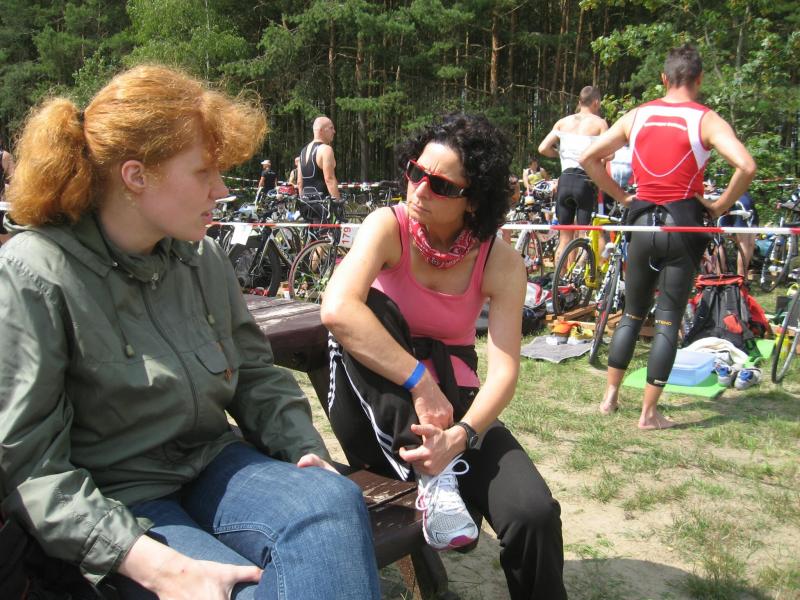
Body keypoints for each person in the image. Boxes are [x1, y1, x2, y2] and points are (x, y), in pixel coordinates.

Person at [0, 65, 380, 599]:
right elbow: (31, 468)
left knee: (331, 500)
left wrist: (301, 450)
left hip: (212, 461)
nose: (221, 189)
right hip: (117, 500)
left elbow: (254, 374)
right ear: (136, 176)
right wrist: (161, 568)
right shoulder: (34, 273)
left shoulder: (202, 256)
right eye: (204, 171)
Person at [320, 113, 567, 599]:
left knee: (533, 513)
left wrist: (462, 434)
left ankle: (441, 469)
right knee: (369, 308)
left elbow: (505, 369)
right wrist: (421, 382)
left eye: (441, 185)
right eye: (416, 172)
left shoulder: (500, 260)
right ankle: (432, 478)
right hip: (376, 404)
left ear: (473, 199)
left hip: (457, 409)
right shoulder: (386, 225)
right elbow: (336, 309)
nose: (419, 190)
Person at [580, 44, 756, 429]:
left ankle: (610, 398)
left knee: (631, 312)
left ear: (664, 78)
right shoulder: (706, 119)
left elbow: (587, 159)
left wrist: (623, 197)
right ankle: (648, 414)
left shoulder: (637, 115)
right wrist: (719, 206)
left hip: (642, 222)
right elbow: (746, 165)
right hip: (683, 225)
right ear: (699, 79)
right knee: (667, 319)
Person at [538, 86, 608, 263]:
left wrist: (560, 154)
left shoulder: (563, 122)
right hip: (585, 181)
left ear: (579, 101)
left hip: (565, 179)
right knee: (584, 234)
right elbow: (610, 155)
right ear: (596, 102)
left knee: (564, 237)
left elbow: (543, 148)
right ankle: (577, 274)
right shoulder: (599, 123)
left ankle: (560, 276)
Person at [297, 116, 341, 224]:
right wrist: (338, 204)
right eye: (331, 128)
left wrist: (303, 200)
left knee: (312, 234)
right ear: (321, 130)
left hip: (306, 204)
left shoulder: (303, 151)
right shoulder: (326, 149)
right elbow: (329, 179)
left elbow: (299, 182)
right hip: (322, 205)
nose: (334, 131)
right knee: (327, 234)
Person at [0, 134, 15, 244]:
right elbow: (15, 181)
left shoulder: (4, 156)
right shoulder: (5, 156)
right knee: (7, 244)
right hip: (2, 206)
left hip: (2, 206)